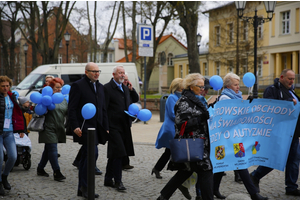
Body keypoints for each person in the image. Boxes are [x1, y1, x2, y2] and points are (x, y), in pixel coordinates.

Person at [157, 73, 213, 200]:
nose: (203, 89)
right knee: (206, 171)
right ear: (191, 87)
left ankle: (163, 196)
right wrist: (201, 118)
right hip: (192, 144)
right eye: (200, 86)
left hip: (200, 143)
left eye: (203, 86)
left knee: (185, 172)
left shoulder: (196, 99)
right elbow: (182, 124)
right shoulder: (184, 101)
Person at [213, 72, 268, 200]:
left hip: (235, 138)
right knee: (239, 163)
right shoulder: (224, 98)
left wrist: (247, 106)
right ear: (227, 86)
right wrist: (246, 109)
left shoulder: (235, 97)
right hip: (226, 138)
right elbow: (229, 118)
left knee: (224, 165)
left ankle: (214, 189)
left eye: (238, 84)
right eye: (235, 85)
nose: (238, 87)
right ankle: (254, 194)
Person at [250, 69, 300, 196]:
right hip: (280, 133)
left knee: (294, 160)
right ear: (282, 77)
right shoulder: (272, 90)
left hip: (293, 132)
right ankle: (255, 176)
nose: (292, 81)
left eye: (293, 79)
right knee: (276, 158)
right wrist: (288, 103)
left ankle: (291, 187)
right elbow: (269, 108)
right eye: (290, 78)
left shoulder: (291, 91)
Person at [68, 62, 109, 198]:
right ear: (86, 72)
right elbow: (72, 108)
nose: (97, 73)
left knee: (88, 156)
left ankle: (82, 187)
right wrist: (75, 126)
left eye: (98, 71)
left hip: (97, 128)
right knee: (92, 154)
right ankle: (85, 187)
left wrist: (106, 127)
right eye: (93, 71)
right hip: (84, 127)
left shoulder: (100, 87)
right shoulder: (78, 85)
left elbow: (103, 109)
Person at [103, 65, 139, 191]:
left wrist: (131, 89)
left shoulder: (125, 87)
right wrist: (105, 126)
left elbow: (135, 100)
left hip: (124, 125)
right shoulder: (107, 88)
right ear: (114, 75)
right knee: (119, 153)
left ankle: (108, 179)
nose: (122, 75)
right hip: (113, 126)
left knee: (114, 154)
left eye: (123, 73)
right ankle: (118, 181)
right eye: (119, 73)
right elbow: (104, 109)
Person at [36, 77, 68, 182]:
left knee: (48, 149)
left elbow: (67, 112)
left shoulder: (63, 99)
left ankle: (40, 168)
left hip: (59, 127)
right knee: (53, 149)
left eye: (60, 87)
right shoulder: (46, 98)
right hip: (48, 127)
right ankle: (57, 172)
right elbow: (39, 110)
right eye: (57, 87)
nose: (59, 89)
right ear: (51, 88)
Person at [0, 76, 25, 196]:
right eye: (3, 86)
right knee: (0, 158)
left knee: (13, 156)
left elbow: (18, 113)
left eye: (7, 86)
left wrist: (21, 129)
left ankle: (4, 176)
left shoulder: (11, 97)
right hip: (0, 132)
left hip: (9, 131)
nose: (5, 88)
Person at [122, 73, 139, 170]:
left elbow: (136, 99)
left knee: (126, 142)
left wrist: (132, 89)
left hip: (126, 119)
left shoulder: (127, 89)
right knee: (121, 142)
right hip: (117, 120)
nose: (126, 81)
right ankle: (123, 162)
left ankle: (125, 163)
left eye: (127, 80)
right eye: (124, 79)